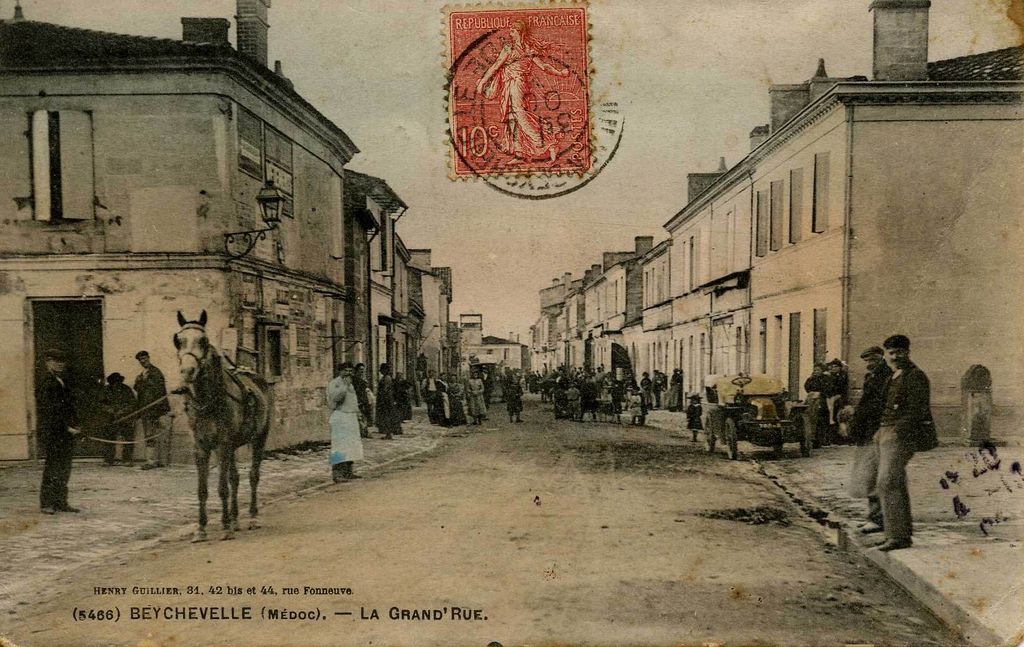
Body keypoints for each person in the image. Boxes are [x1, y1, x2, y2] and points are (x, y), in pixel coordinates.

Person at [873, 334, 936, 551]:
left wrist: (897, 431)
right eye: (891, 352)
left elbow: (918, 410)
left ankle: (898, 537)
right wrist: (879, 431)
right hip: (885, 433)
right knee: (892, 482)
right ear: (886, 355)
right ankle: (897, 534)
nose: (896, 356)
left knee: (887, 481)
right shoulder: (893, 376)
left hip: (901, 436)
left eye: (900, 352)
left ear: (907, 352)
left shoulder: (915, 376)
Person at [475, 19, 569, 163]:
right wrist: (482, 81)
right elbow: (496, 67)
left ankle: (547, 142)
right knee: (512, 116)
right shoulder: (521, 49)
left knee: (519, 114)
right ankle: (520, 154)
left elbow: (543, 66)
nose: (510, 33)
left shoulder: (515, 49)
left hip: (517, 83)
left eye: (512, 30)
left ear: (519, 32)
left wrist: (559, 73)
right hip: (512, 84)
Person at [844, 346, 892, 536]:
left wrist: (858, 415)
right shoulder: (871, 376)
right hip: (867, 431)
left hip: (876, 431)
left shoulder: (885, 377)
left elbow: (875, 405)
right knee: (868, 475)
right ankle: (874, 516)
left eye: (872, 360)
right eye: (867, 361)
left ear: (881, 358)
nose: (869, 364)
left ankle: (878, 519)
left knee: (874, 476)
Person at [38, 349, 82, 514]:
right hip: (54, 432)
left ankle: (60, 502)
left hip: (65, 432)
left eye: (62, 361)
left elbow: (68, 407)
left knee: (64, 467)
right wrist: (66, 427)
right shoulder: (46, 382)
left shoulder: (62, 380)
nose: (60, 364)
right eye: (56, 361)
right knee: (53, 467)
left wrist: (75, 424)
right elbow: (49, 410)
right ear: (47, 362)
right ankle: (47, 503)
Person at [134, 350, 171, 469]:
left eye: (144, 358)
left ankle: (154, 461)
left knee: (154, 434)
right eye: (140, 360)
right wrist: (140, 380)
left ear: (149, 358)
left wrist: (142, 381)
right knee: (150, 435)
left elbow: (159, 390)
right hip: (146, 410)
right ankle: (153, 460)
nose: (143, 361)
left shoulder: (155, 372)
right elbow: (138, 388)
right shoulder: (142, 374)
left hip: (156, 409)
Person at [327, 363, 363, 482]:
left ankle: (348, 471)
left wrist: (358, 415)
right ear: (340, 371)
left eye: (350, 371)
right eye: (345, 370)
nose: (348, 373)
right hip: (340, 417)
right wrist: (344, 387)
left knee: (351, 445)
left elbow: (353, 401)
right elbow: (335, 399)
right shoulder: (335, 383)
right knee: (339, 446)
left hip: (350, 417)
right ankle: (337, 474)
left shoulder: (350, 385)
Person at [100, 372, 137, 466]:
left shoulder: (126, 390)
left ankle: (127, 460)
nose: (117, 384)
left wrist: (123, 411)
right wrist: (110, 410)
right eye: (114, 382)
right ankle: (108, 460)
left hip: (125, 418)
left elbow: (132, 404)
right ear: (111, 382)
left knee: (128, 438)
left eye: (118, 381)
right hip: (110, 418)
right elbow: (101, 404)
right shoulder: (106, 390)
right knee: (108, 437)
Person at [376, 364, 403, 440]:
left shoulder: (387, 378)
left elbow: (386, 389)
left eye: (382, 369)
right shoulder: (385, 377)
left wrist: (382, 398)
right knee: (387, 416)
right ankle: (388, 433)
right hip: (386, 399)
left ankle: (388, 434)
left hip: (386, 399)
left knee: (387, 416)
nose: (381, 371)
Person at [352, 363, 372, 438]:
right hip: (358, 399)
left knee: (364, 416)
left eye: (363, 370)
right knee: (359, 416)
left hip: (364, 399)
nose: (362, 371)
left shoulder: (363, 379)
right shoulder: (354, 379)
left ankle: (364, 431)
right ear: (356, 370)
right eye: (360, 369)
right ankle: (362, 431)